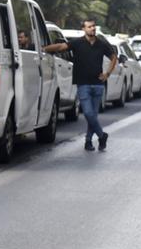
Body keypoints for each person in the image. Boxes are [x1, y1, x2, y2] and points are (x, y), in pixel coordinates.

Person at [50, 19, 118, 151]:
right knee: (88, 113)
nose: (92, 28)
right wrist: (44, 49)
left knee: (93, 115)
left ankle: (88, 142)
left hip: (98, 84)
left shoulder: (102, 43)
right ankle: (101, 135)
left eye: (93, 26)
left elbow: (114, 57)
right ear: (84, 29)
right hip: (83, 84)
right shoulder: (77, 43)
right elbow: (61, 47)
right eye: (89, 27)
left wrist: (107, 73)